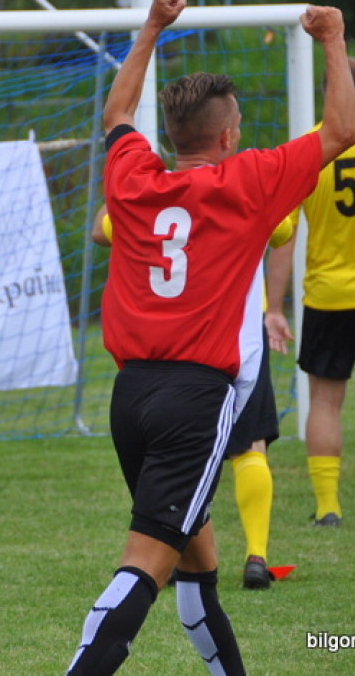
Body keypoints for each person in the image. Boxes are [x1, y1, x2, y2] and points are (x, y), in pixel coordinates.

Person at [64, 0, 355, 675]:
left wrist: (151, 28)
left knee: (198, 565)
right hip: (195, 400)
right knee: (145, 565)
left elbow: (114, 114)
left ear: (168, 136)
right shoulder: (249, 181)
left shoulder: (134, 178)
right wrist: (333, 39)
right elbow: (340, 132)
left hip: (129, 397)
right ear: (228, 136)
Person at [92, 208, 293, 590]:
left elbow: (102, 230)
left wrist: (121, 176)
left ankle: (172, 552)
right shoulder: (246, 193)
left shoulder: (152, 196)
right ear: (225, 142)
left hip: (169, 334)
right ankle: (256, 555)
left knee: (176, 449)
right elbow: (283, 229)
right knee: (249, 445)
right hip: (235, 335)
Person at [265, 57, 355, 528]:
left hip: (326, 297)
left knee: (325, 402)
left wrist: (274, 306)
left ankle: (328, 507)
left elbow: (281, 236)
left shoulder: (303, 151)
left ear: (330, 92)